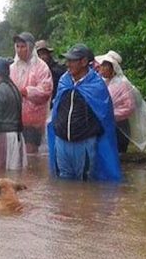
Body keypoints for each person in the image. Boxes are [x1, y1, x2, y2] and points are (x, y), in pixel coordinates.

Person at [47, 44, 122, 182]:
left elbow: (105, 117)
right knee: (63, 184)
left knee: (84, 183)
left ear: (83, 62)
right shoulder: (64, 80)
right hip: (61, 142)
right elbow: (56, 108)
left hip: (84, 144)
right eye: (67, 60)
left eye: (71, 60)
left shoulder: (96, 85)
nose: (67, 64)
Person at [95, 51, 146, 153]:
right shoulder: (104, 82)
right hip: (107, 125)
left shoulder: (122, 84)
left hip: (120, 127)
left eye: (105, 66)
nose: (101, 69)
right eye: (101, 65)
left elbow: (129, 107)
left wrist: (111, 114)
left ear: (113, 68)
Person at [9, 32, 53, 154]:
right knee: (17, 154)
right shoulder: (13, 67)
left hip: (34, 120)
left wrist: (25, 91)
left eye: (23, 46)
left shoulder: (41, 67)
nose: (19, 50)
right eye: (17, 46)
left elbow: (45, 91)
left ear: (30, 47)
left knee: (31, 154)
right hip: (15, 119)